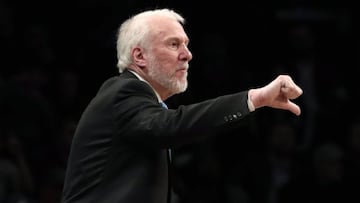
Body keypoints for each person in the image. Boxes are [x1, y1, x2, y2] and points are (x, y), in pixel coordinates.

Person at [61, 8, 303, 203]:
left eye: (186, 44)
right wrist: (255, 98)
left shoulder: (142, 103)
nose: (188, 54)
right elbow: (171, 125)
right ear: (139, 56)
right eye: (174, 44)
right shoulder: (124, 92)